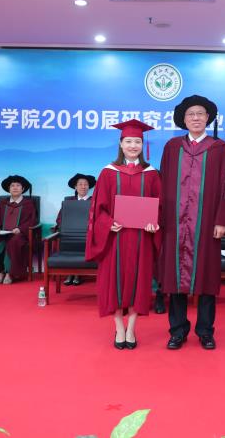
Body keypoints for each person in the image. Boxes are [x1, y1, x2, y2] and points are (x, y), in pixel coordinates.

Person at [158, 95, 225, 350]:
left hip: (206, 225)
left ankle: (205, 331)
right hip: (175, 224)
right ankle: (177, 330)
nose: (195, 118)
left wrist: (223, 221)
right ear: (183, 119)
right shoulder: (172, 147)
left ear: (208, 118)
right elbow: (162, 183)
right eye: (190, 114)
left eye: (200, 114)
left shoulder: (220, 148)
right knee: (175, 279)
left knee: (207, 279)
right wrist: (161, 217)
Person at [85, 119, 161, 349]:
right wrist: (108, 223)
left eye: (137, 141)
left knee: (139, 282)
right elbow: (98, 209)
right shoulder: (108, 173)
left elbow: (160, 206)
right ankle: (119, 327)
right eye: (128, 141)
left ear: (142, 144)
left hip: (141, 239)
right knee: (114, 283)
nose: (133, 146)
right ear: (121, 144)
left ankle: (131, 328)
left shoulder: (151, 174)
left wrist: (154, 224)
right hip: (115, 239)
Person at [0, 175, 37, 285]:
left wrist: (20, 229)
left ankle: (10, 273)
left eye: (18, 185)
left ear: (23, 189)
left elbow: (32, 221)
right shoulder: (3, 203)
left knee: (14, 242)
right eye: (12, 186)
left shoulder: (28, 204)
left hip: (19, 234)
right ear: (9, 189)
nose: (15, 188)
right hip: (2, 233)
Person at [56, 173, 96, 286]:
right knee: (67, 241)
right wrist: (63, 228)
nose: (83, 187)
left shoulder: (94, 201)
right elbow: (60, 218)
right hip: (70, 235)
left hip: (88, 234)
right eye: (80, 184)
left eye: (86, 184)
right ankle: (71, 273)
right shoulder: (69, 201)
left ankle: (77, 274)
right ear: (75, 187)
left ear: (89, 187)